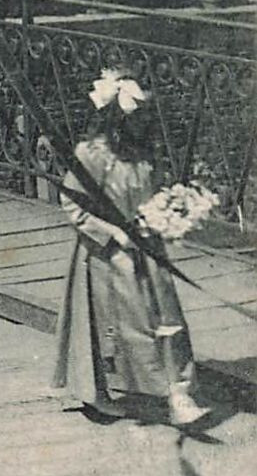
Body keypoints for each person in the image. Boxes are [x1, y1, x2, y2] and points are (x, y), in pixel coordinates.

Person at [52, 71, 211, 428]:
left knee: (167, 317)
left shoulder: (144, 154)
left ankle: (178, 393)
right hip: (107, 253)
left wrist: (171, 212)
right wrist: (111, 233)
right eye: (137, 116)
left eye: (147, 115)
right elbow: (72, 203)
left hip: (147, 247)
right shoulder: (91, 154)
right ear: (117, 119)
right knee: (116, 323)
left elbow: (150, 194)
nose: (145, 123)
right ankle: (98, 392)